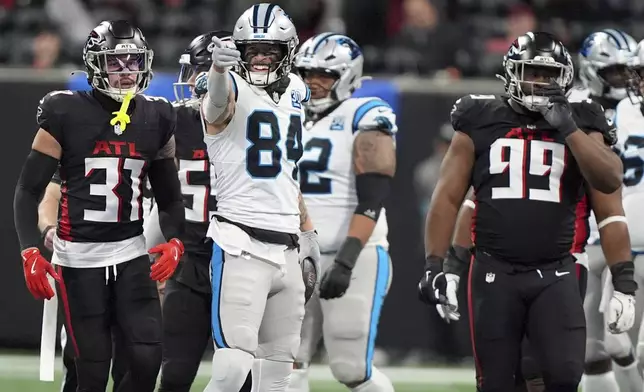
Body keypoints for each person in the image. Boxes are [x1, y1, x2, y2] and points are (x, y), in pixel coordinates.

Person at [418, 31, 636, 392]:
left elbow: (610, 183)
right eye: (532, 72)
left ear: (565, 78)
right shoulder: (480, 117)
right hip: (493, 269)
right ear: (511, 73)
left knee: (564, 375)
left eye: (549, 76)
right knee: (498, 383)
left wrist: (567, 126)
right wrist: (439, 265)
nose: (540, 83)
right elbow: (451, 199)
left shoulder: (584, 119)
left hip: (557, 269)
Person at [13, 20, 186, 392]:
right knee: (90, 371)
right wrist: (30, 247)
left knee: (145, 359)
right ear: (95, 64)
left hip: (131, 253)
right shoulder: (65, 111)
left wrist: (174, 240)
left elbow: (170, 195)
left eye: (132, 61)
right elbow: (29, 189)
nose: (126, 72)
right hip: (80, 261)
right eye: (115, 62)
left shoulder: (157, 115)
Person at [200, 4, 321, 392]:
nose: (261, 58)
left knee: (278, 375)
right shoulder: (229, 85)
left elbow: (286, 174)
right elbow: (218, 104)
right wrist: (218, 70)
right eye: (252, 50)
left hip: (286, 245)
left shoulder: (298, 93)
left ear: (289, 53)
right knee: (233, 367)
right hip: (240, 242)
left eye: (270, 50)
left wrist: (308, 233)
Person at [287, 33, 396, 392]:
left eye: (325, 75)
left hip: (351, 253)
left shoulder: (366, 115)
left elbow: (373, 196)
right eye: (306, 73)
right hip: (295, 253)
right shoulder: (285, 112)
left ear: (348, 76)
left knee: (350, 369)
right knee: (285, 360)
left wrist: (346, 260)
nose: (313, 83)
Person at [145, 30, 229, 392]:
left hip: (240, 259)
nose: (197, 82)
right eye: (197, 72)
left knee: (241, 374)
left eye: (207, 72)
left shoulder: (255, 128)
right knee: (175, 373)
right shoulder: (169, 121)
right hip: (188, 258)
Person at [570, 29, 643, 392]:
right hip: (586, 233)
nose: (625, 81)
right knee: (588, 348)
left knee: (621, 341)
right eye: (615, 72)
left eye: (629, 72)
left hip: (625, 232)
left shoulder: (633, 110)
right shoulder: (574, 108)